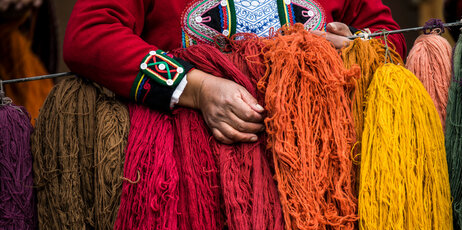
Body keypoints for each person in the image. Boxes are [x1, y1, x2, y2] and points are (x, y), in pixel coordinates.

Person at [64, 0, 405, 144]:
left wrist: (354, 46)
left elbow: (385, 34)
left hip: (320, 159)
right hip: (191, 172)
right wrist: (195, 87)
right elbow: (90, 33)